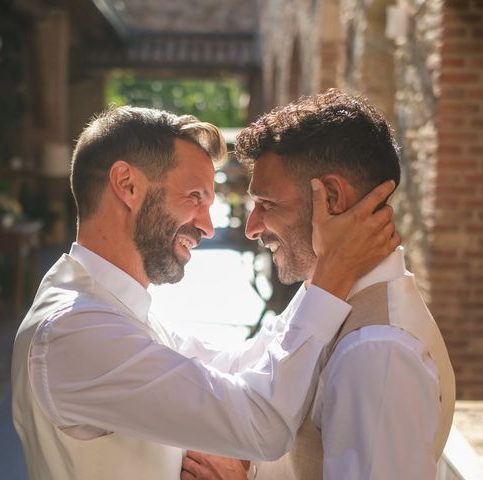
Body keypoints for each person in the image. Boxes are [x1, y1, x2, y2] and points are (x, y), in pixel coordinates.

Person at [11, 105, 400, 480]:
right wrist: (332, 275)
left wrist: (323, 269)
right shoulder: (75, 331)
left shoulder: (112, 310)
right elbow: (262, 426)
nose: (207, 226)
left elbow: (241, 363)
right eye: (195, 197)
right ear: (127, 186)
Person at [181, 90, 455, 480]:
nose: (252, 227)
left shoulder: (377, 351)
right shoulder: (327, 295)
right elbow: (245, 367)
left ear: (331, 197)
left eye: (268, 204)